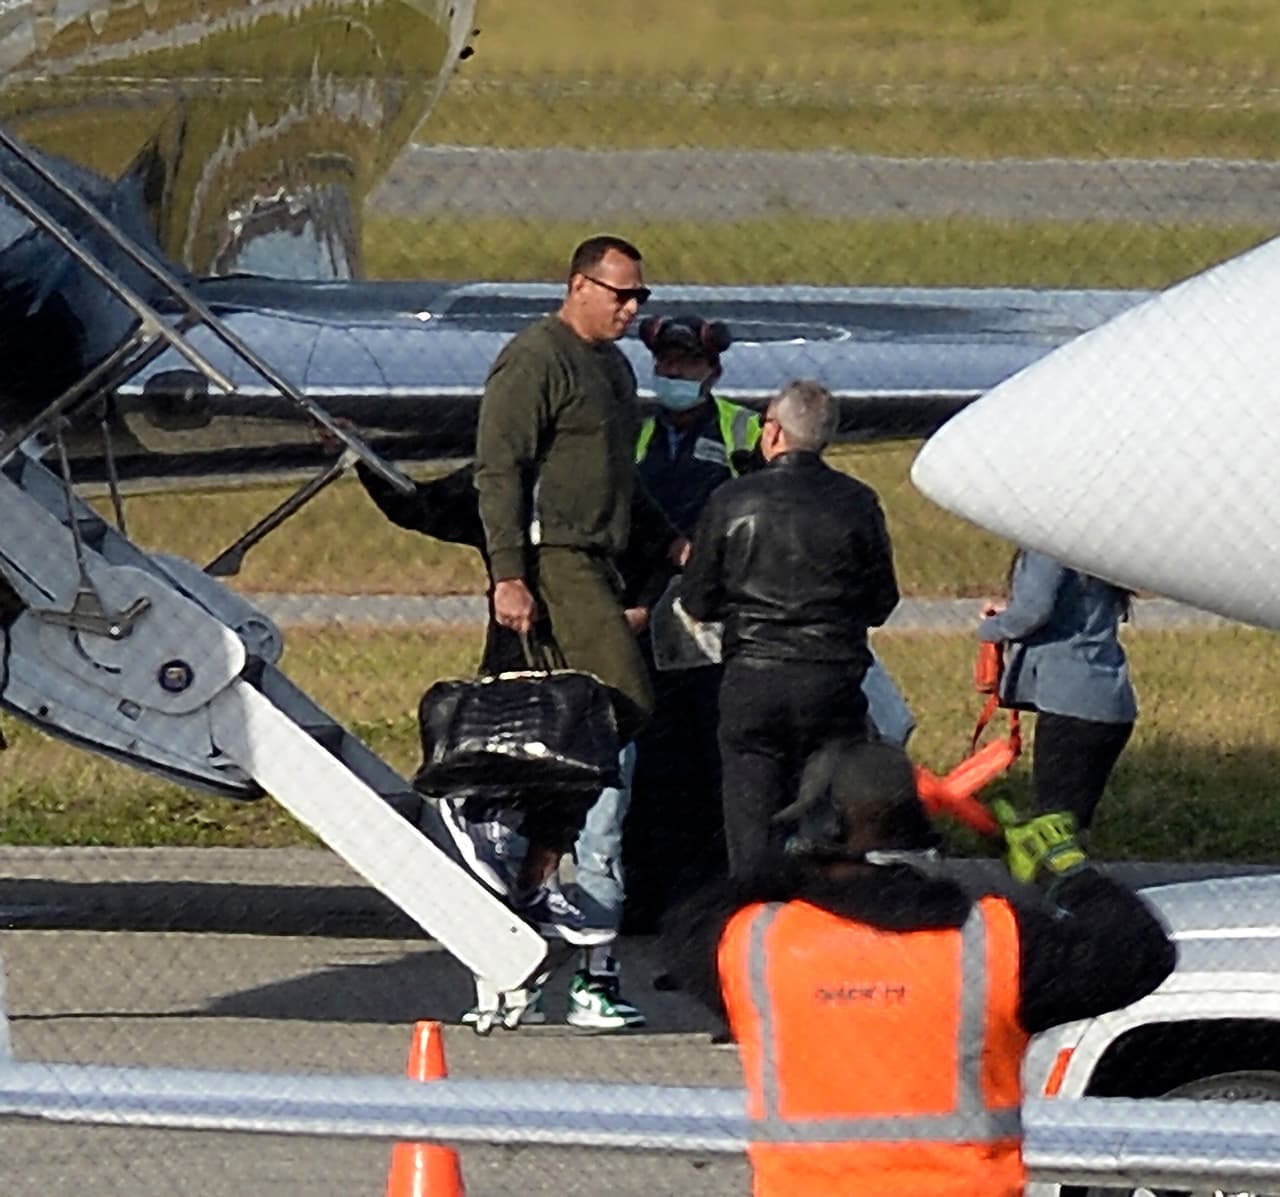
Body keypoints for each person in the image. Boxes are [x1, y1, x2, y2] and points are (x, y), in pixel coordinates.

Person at [663, 738, 1176, 1197]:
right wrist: (1067, 872)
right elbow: (1137, 951)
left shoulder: (756, 945)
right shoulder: (995, 943)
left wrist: (786, 856)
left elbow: (688, 918)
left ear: (818, 832)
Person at [472, 232, 685, 1029]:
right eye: (620, 294)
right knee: (624, 697)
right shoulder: (537, 359)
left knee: (584, 726)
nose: (632, 309)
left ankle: (535, 864)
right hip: (554, 560)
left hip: (600, 558)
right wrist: (508, 573)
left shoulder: (615, 368)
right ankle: (530, 852)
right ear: (578, 286)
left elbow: (619, 479)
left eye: (641, 298)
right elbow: (499, 469)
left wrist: (667, 537)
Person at [679, 378, 900, 879]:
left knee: (749, 817)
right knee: (825, 813)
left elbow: (699, 598)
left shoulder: (732, 500)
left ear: (773, 432)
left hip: (754, 675)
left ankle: (756, 924)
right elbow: (881, 601)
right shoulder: (856, 502)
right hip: (832, 679)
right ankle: (822, 917)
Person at [620, 313, 762, 932]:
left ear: (713, 371)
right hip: (646, 612)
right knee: (646, 762)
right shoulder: (635, 434)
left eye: (686, 364)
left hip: (715, 621)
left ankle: (704, 898)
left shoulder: (744, 431)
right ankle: (644, 896)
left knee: (706, 762)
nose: (674, 374)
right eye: (666, 364)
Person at [978, 549, 1137, 831]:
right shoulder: (1094, 550)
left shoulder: (1046, 547)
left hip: (1070, 703)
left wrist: (991, 628)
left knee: (1053, 821)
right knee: (1073, 820)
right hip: (1111, 702)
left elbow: (1033, 611)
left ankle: (1063, 871)